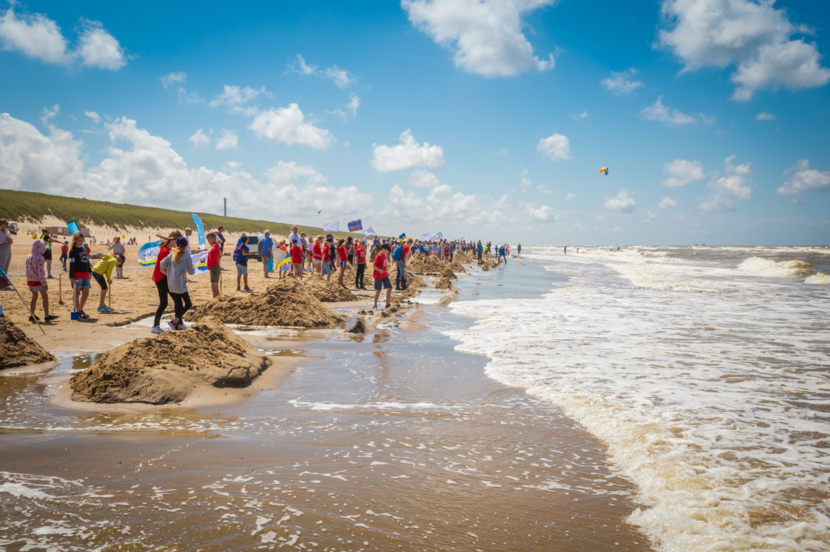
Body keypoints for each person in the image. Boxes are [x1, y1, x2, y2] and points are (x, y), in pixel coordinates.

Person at [159, 237, 195, 331]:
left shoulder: (172, 254)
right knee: (188, 303)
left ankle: (178, 325)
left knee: (178, 303)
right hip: (180, 284)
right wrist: (193, 265)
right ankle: (175, 321)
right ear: (186, 245)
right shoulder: (187, 256)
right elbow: (191, 272)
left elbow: (162, 263)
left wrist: (170, 272)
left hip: (170, 283)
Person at [151, 231, 181, 334]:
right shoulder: (165, 251)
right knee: (165, 302)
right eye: (178, 241)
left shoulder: (168, 249)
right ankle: (156, 326)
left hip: (163, 278)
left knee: (176, 300)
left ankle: (179, 323)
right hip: (161, 278)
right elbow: (161, 268)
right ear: (173, 240)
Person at [25, 240, 58, 323]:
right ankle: (47, 315)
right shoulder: (40, 257)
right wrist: (44, 283)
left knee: (34, 297)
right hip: (37, 280)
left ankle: (32, 315)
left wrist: (28, 278)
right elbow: (41, 272)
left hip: (30, 280)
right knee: (45, 296)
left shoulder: (28, 256)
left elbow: (26, 270)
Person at [68, 231, 92, 319]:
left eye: (82, 240)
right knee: (77, 292)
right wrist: (71, 277)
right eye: (79, 240)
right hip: (77, 274)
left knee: (86, 293)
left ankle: (80, 309)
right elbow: (72, 264)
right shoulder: (72, 251)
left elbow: (87, 260)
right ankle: (78, 311)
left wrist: (90, 270)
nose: (81, 242)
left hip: (85, 273)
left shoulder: (84, 249)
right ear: (75, 240)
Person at [372, 243, 393, 310]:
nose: (388, 251)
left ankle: (387, 304)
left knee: (390, 288)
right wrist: (379, 270)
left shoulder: (385, 255)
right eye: (387, 250)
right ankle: (375, 305)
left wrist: (387, 272)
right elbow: (374, 265)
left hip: (384, 275)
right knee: (378, 290)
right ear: (383, 249)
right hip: (378, 275)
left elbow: (385, 265)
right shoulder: (379, 256)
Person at [207, 233, 221, 298]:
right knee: (214, 285)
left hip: (214, 267)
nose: (208, 241)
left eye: (208, 240)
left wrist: (209, 250)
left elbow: (212, 248)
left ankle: (215, 299)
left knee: (214, 285)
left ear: (212, 239)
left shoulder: (214, 245)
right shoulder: (216, 245)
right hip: (215, 266)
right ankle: (216, 298)